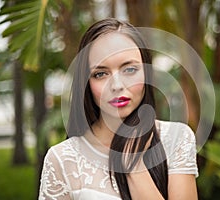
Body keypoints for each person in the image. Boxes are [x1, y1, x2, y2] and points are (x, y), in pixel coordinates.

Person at [39, 18, 198, 200]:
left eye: (129, 70)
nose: (116, 85)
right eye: (100, 74)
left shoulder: (176, 139)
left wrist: (134, 163)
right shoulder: (62, 159)